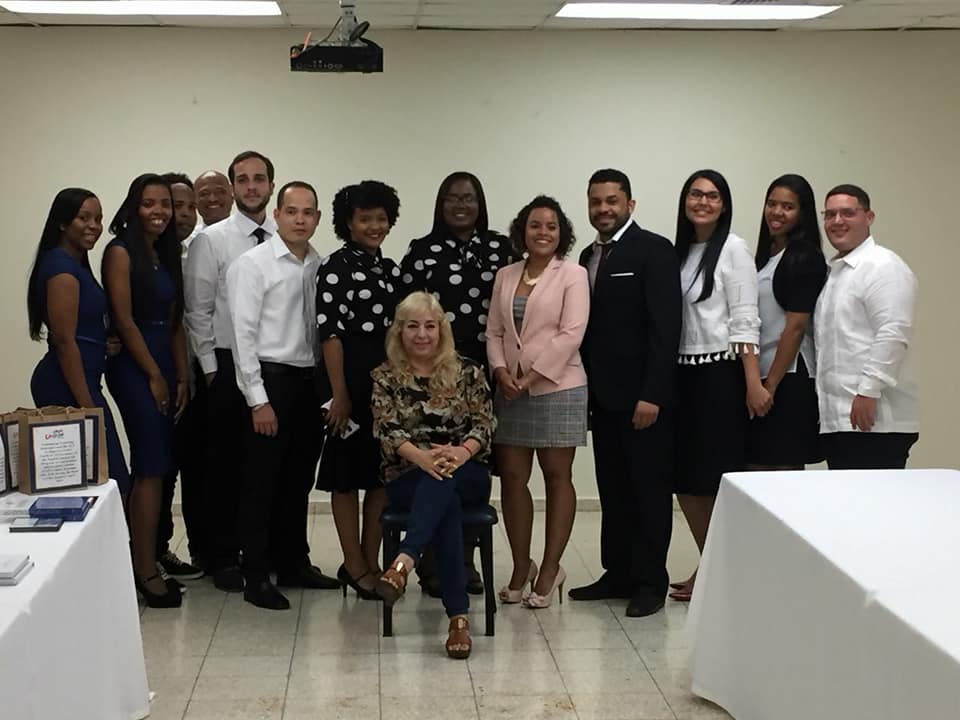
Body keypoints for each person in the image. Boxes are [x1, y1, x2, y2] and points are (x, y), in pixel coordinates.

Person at [568, 169, 682, 618]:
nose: (603, 209)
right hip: (603, 397)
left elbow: (665, 327)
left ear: (629, 204)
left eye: (612, 201)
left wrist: (652, 393)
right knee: (613, 489)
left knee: (648, 490)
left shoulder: (654, 250)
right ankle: (617, 573)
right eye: (595, 201)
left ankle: (651, 581)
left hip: (643, 399)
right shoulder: (587, 256)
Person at [227, 181, 340, 610]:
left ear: (317, 218)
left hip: (307, 384)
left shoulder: (318, 264)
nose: (299, 219)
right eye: (291, 211)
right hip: (270, 382)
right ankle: (256, 575)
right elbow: (242, 336)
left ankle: (293, 562)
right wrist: (258, 400)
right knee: (261, 483)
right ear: (276, 215)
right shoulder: (253, 265)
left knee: (297, 479)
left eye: (308, 212)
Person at [400, 171, 513, 595]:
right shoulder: (421, 251)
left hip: (487, 371)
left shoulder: (501, 249)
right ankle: (432, 564)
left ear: (480, 204)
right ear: (440, 204)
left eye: (468, 198)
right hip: (429, 372)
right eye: (452, 198)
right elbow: (407, 314)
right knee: (433, 460)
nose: (461, 205)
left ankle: (464, 561)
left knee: (472, 460)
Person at [372, 292, 495, 659]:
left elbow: (485, 424)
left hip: (467, 469)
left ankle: (403, 562)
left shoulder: (468, 371)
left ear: (442, 330)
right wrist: (422, 458)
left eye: (430, 326)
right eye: (413, 326)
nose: (422, 334)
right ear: (399, 331)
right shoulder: (385, 377)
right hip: (408, 474)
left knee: (444, 484)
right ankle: (458, 619)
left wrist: (460, 452)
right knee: (445, 500)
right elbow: (387, 431)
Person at [486, 196, 589, 608]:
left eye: (551, 226)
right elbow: (494, 332)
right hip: (509, 388)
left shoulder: (573, 274)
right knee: (513, 478)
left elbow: (571, 334)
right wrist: (500, 372)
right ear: (522, 231)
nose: (542, 232)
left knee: (556, 477)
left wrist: (529, 378)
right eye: (535, 225)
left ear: (561, 233)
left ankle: (550, 569)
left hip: (558, 387)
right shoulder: (506, 274)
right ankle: (520, 566)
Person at [183, 150, 277, 592]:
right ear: (235, 186)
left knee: (264, 468)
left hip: (272, 364)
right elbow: (198, 310)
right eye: (243, 179)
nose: (251, 186)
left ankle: (264, 552)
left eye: (259, 178)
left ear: (271, 185)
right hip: (223, 363)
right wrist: (209, 370)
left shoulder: (282, 236)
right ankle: (222, 556)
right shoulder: (212, 240)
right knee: (223, 466)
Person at [670, 169, 763, 603]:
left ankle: (722, 572)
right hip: (682, 374)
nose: (702, 202)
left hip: (721, 374)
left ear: (724, 205)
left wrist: (752, 381)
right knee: (686, 480)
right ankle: (712, 565)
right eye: (695, 194)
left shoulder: (734, 248)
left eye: (712, 196)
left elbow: (745, 318)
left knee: (715, 478)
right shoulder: (679, 251)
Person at [103, 173, 189, 609]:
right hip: (134, 366)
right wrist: (154, 375)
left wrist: (181, 375)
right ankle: (144, 571)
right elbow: (123, 320)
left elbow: (174, 322)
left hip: (163, 359)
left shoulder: (165, 252)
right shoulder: (119, 251)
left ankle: (146, 560)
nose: (159, 211)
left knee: (158, 464)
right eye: (149, 203)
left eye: (165, 204)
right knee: (151, 464)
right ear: (134, 207)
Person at [315, 181, 402, 599]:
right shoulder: (336, 267)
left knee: (381, 474)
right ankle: (352, 562)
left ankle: (369, 560)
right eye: (365, 218)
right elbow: (330, 334)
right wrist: (340, 393)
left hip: (385, 385)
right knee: (346, 477)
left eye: (381, 218)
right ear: (348, 223)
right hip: (347, 379)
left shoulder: (390, 269)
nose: (374, 226)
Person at [27, 188, 131, 496]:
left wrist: (103, 343)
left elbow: (81, 328)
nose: (94, 226)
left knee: (104, 481)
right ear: (63, 223)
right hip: (65, 385)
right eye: (83, 218)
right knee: (108, 481)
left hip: (82, 381)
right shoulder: (61, 267)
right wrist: (88, 408)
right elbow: (64, 341)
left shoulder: (76, 264)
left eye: (98, 218)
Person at [815, 184, 919, 468]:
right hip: (839, 420)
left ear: (869, 217)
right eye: (830, 214)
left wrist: (868, 391)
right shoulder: (835, 273)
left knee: (876, 497)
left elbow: (893, 332)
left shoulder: (883, 265)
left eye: (848, 213)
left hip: (877, 421)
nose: (837, 221)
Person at [747, 174, 827, 470]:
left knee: (782, 471)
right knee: (755, 470)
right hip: (761, 378)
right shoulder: (764, 257)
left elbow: (795, 328)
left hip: (787, 380)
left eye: (788, 207)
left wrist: (770, 386)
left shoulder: (804, 258)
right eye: (772, 204)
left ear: (802, 214)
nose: (777, 212)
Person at [153, 172, 204, 580]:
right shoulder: (146, 256)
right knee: (160, 466)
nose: (184, 214)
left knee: (194, 466)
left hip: (195, 374)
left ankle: (198, 550)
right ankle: (153, 550)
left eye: (190, 207)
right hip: (159, 374)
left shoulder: (195, 252)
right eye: (176, 205)